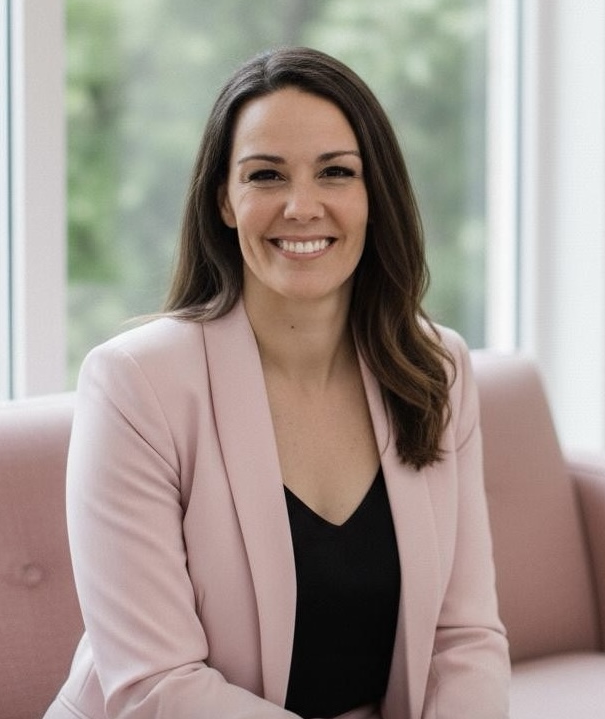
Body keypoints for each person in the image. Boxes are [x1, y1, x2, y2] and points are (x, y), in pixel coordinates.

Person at [44, 47, 510, 719]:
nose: (301, 205)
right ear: (225, 202)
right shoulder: (135, 384)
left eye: (336, 173)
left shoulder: (437, 368)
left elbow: (465, 639)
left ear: (373, 194)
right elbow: (158, 685)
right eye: (265, 175)